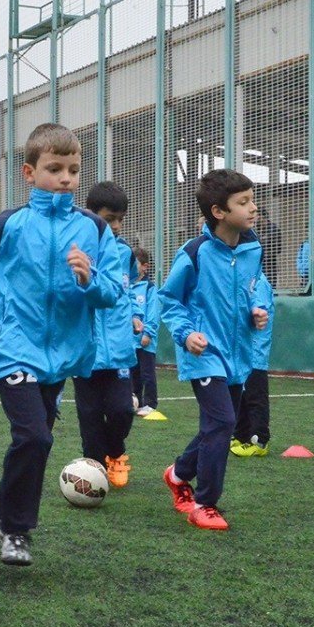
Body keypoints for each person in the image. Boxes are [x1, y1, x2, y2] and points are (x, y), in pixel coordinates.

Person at [0, 123, 123, 566]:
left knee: (37, 437)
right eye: (55, 169)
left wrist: (89, 280)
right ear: (29, 173)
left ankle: (0, 509)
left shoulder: (95, 230)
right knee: (34, 435)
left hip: (63, 356)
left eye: (73, 169)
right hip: (12, 347)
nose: (66, 178)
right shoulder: (6, 225)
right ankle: (16, 531)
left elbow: (114, 292)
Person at [159, 169, 269, 531]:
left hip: (239, 354)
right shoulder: (194, 253)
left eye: (252, 199)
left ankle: (178, 473)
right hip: (204, 354)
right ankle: (205, 503)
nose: (254, 208)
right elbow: (170, 301)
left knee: (219, 424)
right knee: (222, 421)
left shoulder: (254, 249)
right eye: (244, 202)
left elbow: (257, 287)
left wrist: (259, 308)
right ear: (219, 211)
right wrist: (187, 334)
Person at [70, 181, 143, 488]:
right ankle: (93, 469)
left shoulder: (125, 252)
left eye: (120, 219)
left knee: (122, 409)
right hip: (85, 350)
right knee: (88, 415)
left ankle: (116, 451)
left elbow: (129, 291)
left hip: (119, 349)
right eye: (109, 218)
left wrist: (136, 318)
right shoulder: (76, 250)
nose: (115, 225)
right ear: (92, 215)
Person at [230, 273, 274, 457]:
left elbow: (258, 316)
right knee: (241, 394)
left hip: (255, 351)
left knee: (256, 396)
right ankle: (241, 435)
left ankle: (259, 440)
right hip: (243, 351)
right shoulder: (247, 280)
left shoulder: (259, 283)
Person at [131, 247, 161, 417]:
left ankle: (151, 403)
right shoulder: (128, 287)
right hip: (131, 341)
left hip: (145, 340)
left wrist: (148, 333)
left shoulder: (149, 288)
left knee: (147, 373)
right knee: (133, 373)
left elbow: (153, 313)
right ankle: (137, 402)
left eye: (135, 264)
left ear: (145, 266)